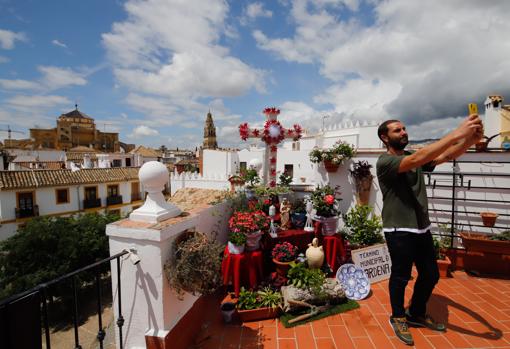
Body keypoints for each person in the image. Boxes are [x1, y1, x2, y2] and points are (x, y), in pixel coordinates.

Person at [376, 114, 483, 346]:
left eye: (404, 128)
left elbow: (445, 155)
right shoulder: (385, 162)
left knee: (431, 274)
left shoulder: (411, 156)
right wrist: (457, 133)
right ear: (385, 138)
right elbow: (419, 159)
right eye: (397, 130)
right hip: (398, 228)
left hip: (421, 227)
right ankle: (398, 317)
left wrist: (470, 141)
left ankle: (415, 314)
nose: (404, 132)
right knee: (401, 275)